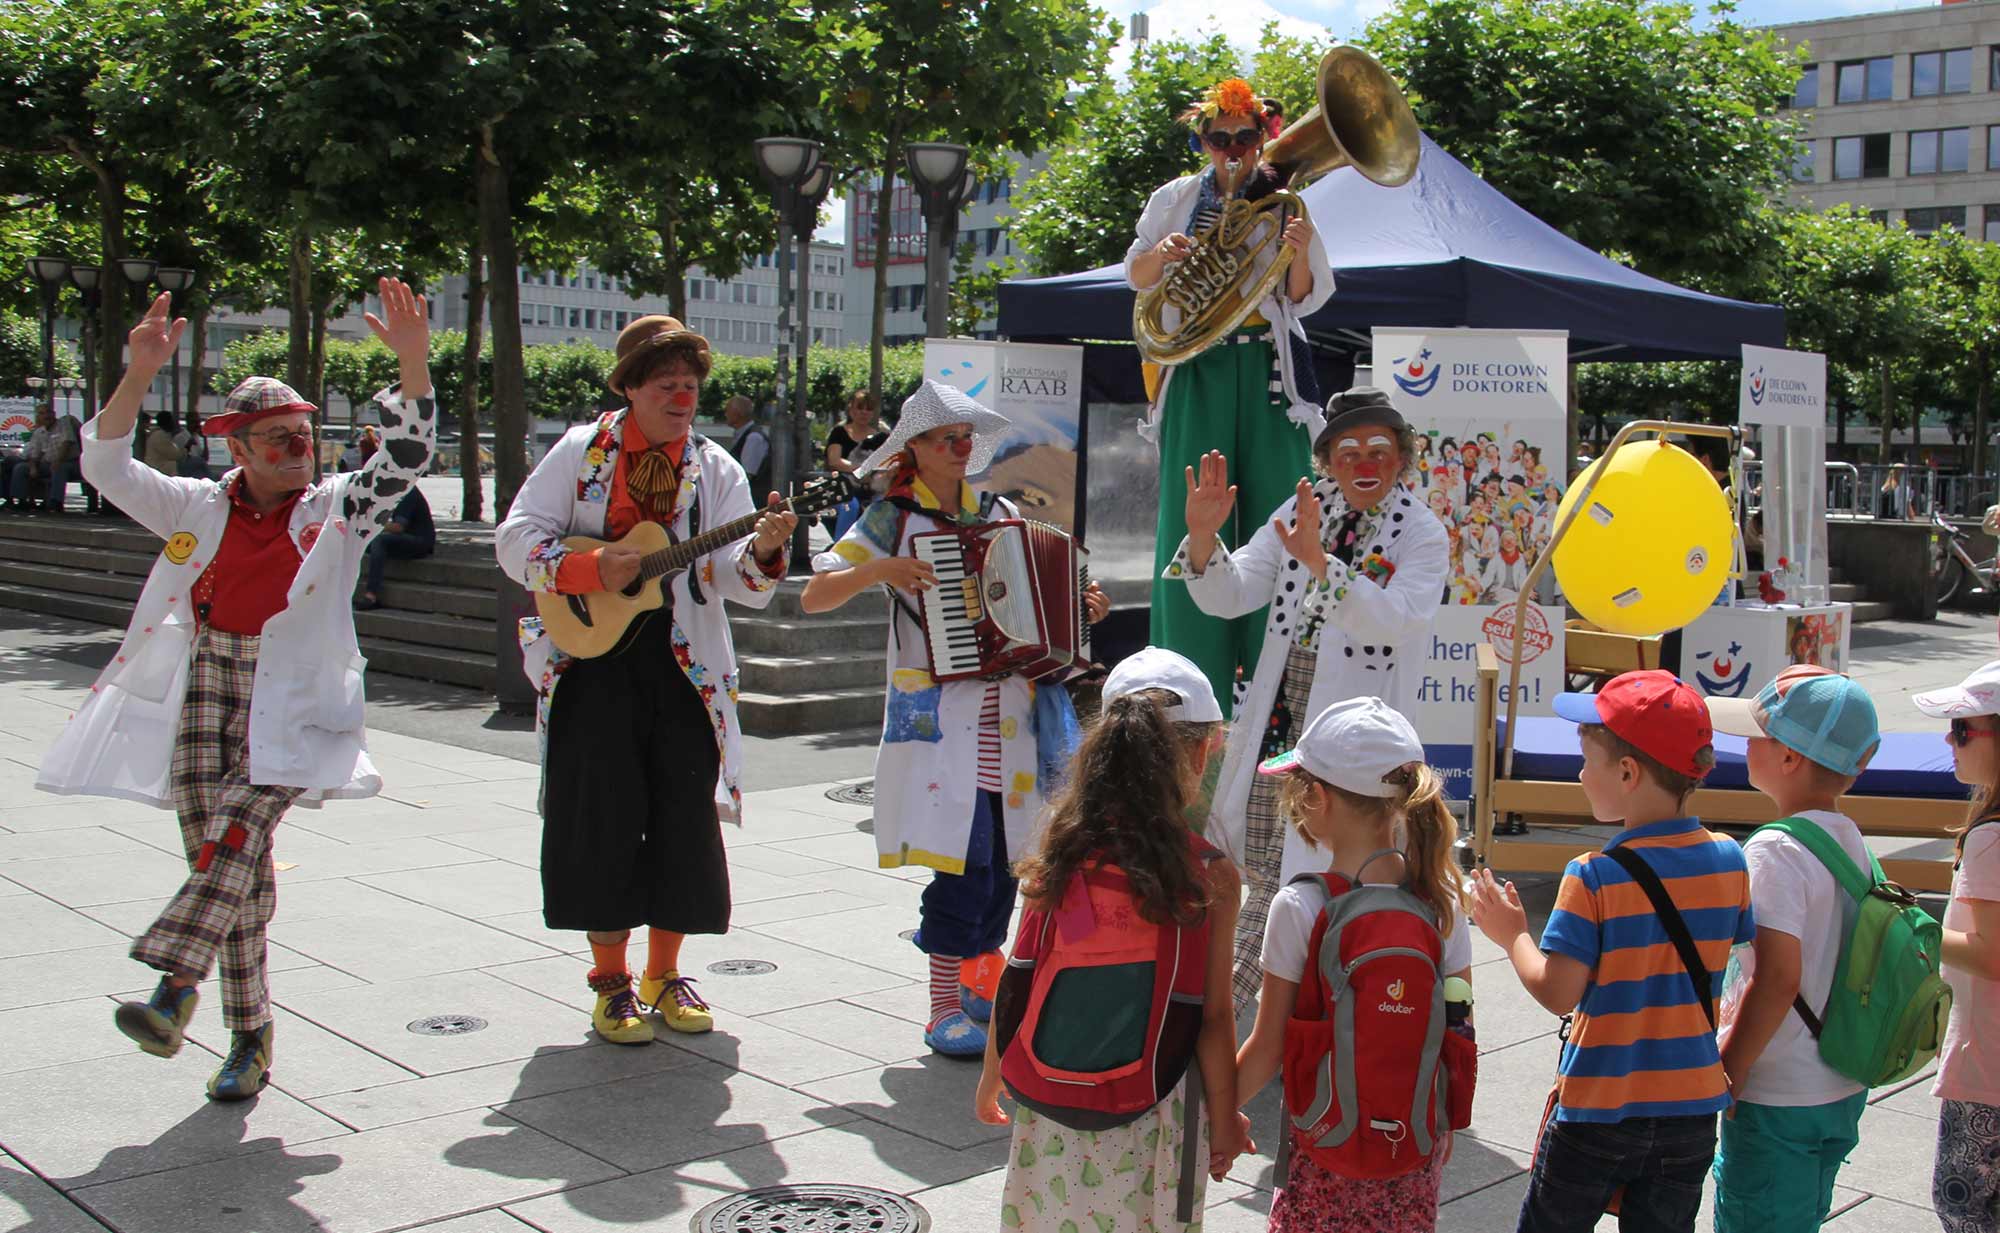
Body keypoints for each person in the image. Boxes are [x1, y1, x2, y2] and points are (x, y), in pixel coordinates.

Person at [35, 280, 435, 1101]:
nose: (299, 450)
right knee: (225, 865)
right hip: (206, 678)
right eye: (279, 440)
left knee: (235, 834)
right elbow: (104, 464)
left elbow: (403, 461)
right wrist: (138, 373)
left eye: (304, 435)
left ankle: (174, 985)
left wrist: (414, 364)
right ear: (240, 450)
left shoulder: (337, 508)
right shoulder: (193, 504)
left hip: (292, 696)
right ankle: (250, 1037)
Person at [496, 315, 796, 1045]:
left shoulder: (716, 469)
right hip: (593, 665)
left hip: (682, 669)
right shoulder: (578, 453)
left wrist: (764, 549)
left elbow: (734, 581)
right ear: (630, 387)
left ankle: (664, 973)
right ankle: (611, 982)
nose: (683, 395)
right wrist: (594, 567)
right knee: (595, 818)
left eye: (691, 384)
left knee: (682, 820)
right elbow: (516, 541)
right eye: (666, 383)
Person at [803, 380, 1109, 1057]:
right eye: (947, 437)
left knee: (1007, 863)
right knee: (960, 863)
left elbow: (1039, 599)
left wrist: (1080, 607)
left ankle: (979, 983)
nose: (961, 446)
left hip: (1013, 712)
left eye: (966, 435)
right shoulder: (892, 516)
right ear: (914, 447)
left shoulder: (1000, 510)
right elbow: (817, 593)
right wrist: (881, 568)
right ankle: (942, 1001)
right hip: (942, 718)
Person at [1165, 387, 1448, 1011]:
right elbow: (1231, 594)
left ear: (1402, 457)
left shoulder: (1423, 533)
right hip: (1281, 710)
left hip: (1357, 723)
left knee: (1337, 854)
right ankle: (1252, 999)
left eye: (1380, 450)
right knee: (1262, 845)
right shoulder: (1300, 509)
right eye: (1348, 453)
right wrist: (1204, 539)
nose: (1365, 464)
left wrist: (1324, 564)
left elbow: (1395, 618)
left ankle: (1316, 997)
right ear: (1327, 461)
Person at [1468, 669, 1754, 1233]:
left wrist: (1512, 936)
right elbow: (1742, 963)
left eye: (1585, 761)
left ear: (1627, 772)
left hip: (1600, 1108)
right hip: (1692, 1108)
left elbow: (1557, 991)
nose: (1578, 774)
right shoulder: (1729, 859)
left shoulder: (1594, 876)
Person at [975, 647, 1245, 1230]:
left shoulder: (1061, 850)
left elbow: (1018, 973)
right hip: (1157, 1104)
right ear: (1201, 754)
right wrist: (1226, 1118)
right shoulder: (1209, 875)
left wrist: (993, 1073)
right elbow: (1215, 1018)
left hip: (1051, 1101)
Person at [1128, 76, 1334, 715]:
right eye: (1220, 139)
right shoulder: (1174, 198)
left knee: (1281, 505)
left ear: (1263, 138)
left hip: (1267, 363)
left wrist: (1297, 251)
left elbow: (1304, 295)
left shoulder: (1285, 200)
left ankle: (1278, 690)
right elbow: (1135, 277)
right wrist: (1161, 255)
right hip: (1198, 361)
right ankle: (1187, 689)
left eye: (1246, 138)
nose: (1234, 149)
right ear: (1204, 141)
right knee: (1191, 516)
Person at [1232, 696, 1473, 1232]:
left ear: (1315, 797)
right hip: (1411, 1147)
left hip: (1324, 1149)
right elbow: (1458, 1026)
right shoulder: (1440, 904)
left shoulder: (1300, 907)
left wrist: (1212, 1117)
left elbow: (1268, 1046)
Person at [1704, 667, 1881, 1233]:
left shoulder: (1775, 849)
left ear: (1789, 759)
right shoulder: (1850, 838)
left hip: (1779, 1090)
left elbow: (1778, 977)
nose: (1744, 744)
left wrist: (1731, 1069)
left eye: (1758, 734)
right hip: (1840, 1082)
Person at [1913, 661, 2000, 1233]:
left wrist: (1912, 925)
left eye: (1964, 728)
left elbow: (1992, 954)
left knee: (1966, 1210)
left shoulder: (1991, 836)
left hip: (1988, 1071)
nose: (1951, 737)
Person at [354, 486, 436, 610]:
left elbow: (398, 527)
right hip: (404, 538)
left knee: (379, 541)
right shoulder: (390, 492)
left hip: (420, 541)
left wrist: (370, 524)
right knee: (362, 542)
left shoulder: (407, 493)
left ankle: (371, 595)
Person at [824, 389, 887, 539]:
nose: (864, 412)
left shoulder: (880, 437)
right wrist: (860, 470)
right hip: (841, 487)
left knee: (887, 506)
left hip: (872, 489)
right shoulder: (839, 432)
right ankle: (840, 548)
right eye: (860, 407)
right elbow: (834, 460)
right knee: (850, 506)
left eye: (868, 409)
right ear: (851, 409)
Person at [723, 394, 771, 502]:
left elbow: (746, 475)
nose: (725, 414)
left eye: (727, 410)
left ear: (737, 413)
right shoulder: (745, 435)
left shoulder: (753, 438)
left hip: (753, 501)